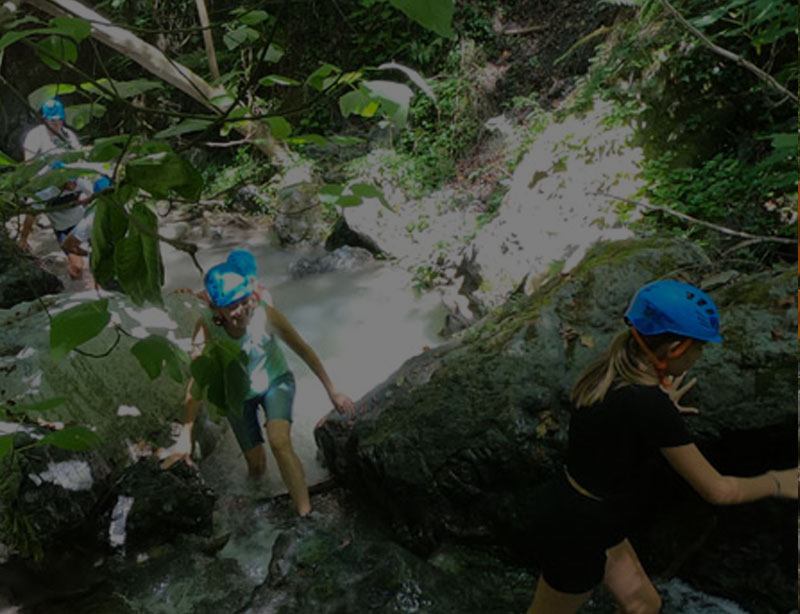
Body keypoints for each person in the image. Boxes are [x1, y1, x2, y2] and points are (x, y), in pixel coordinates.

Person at [525, 279, 797, 614]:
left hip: (582, 509)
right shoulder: (650, 407)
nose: (700, 356)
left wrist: (662, 401)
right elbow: (719, 490)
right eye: (700, 348)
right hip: (577, 532)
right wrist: (780, 481)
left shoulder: (605, 373)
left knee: (645, 605)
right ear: (676, 348)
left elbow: (622, 418)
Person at [161, 249, 356, 516]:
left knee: (279, 441)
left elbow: (304, 350)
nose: (239, 311)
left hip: (276, 382)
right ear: (215, 307)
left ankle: (305, 514)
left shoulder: (266, 315)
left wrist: (333, 391)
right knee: (256, 467)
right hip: (236, 393)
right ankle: (258, 509)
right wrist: (186, 435)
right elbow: (198, 380)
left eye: (242, 302)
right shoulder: (206, 326)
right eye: (230, 306)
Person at [17, 97, 90, 281]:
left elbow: (80, 161)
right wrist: (23, 239)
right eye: (53, 120)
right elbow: (31, 208)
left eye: (60, 120)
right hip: (63, 224)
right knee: (78, 268)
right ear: (44, 119)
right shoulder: (36, 137)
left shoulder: (67, 135)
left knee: (97, 263)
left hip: (82, 220)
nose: (57, 124)